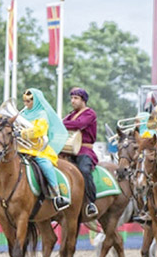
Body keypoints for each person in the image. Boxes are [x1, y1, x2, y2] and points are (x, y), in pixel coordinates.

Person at [19, 89, 70, 211]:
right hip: (21, 149)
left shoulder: (42, 114)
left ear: (35, 100)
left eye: (29, 101)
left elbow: (39, 131)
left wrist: (22, 133)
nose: (26, 103)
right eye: (24, 100)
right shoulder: (22, 114)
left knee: (46, 166)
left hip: (38, 150)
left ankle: (56, 195)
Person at [62, 87, 99, 217]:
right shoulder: (70, 115)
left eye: (76, 98)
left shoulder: (90, 114)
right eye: (72, 98)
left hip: (84, 149)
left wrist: (61, 123)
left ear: (83, 100)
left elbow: (78, 124)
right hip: (69, 150)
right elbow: (67, 122)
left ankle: (90, 202)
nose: (73, 101)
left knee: (84, 170)